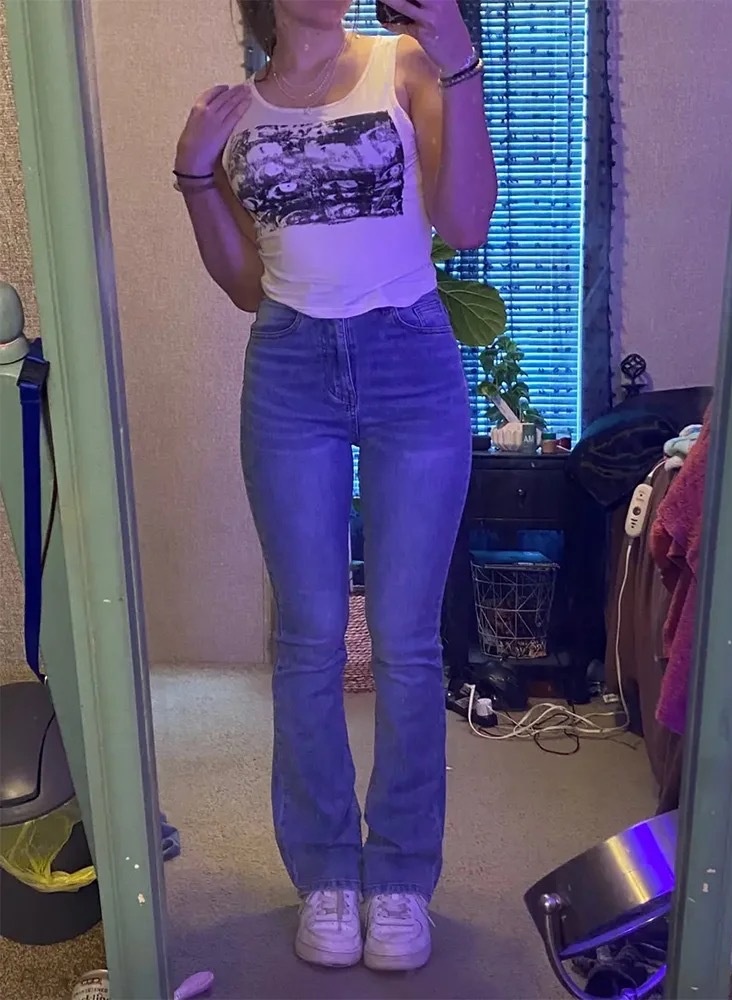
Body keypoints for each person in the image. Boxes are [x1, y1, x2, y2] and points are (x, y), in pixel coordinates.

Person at [174, 0, 496, 972]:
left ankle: (398, 877)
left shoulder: (405, 66)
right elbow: (244, 285)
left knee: (405, 639)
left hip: (410, 358)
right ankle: (324, 872)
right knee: (309, 637)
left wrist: (460, 63)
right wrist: (194, 174)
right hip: (290, 369)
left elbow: (466, 221)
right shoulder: (240, 109)